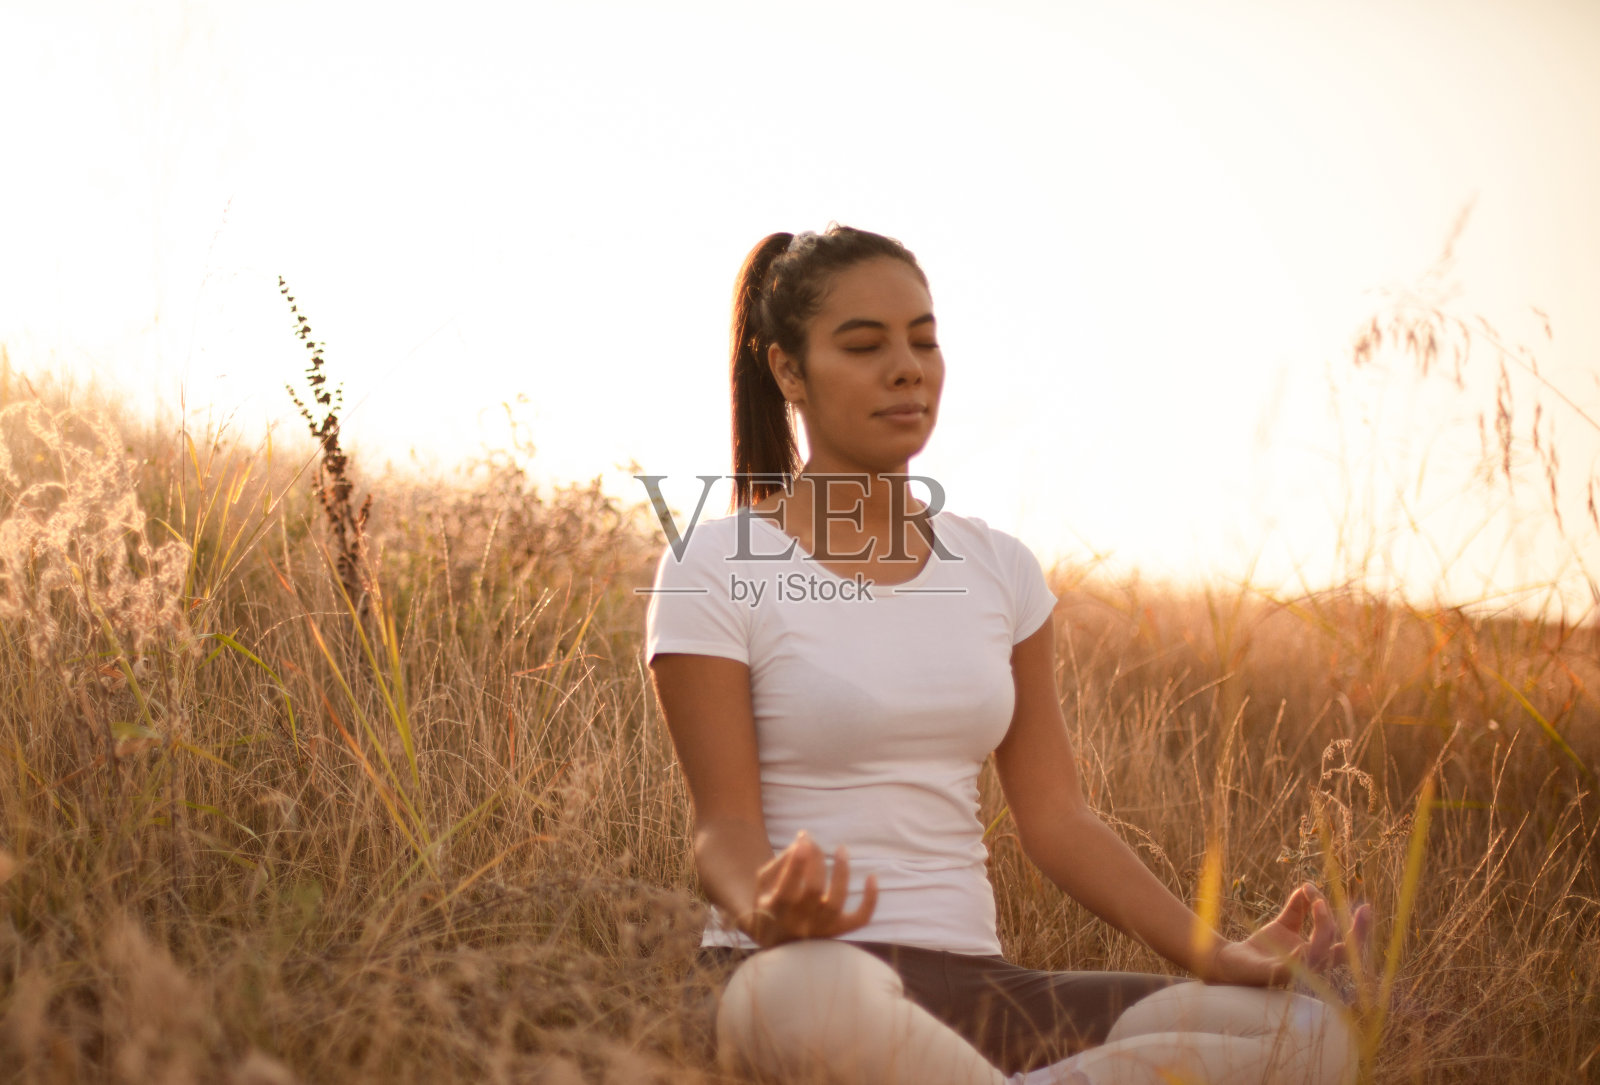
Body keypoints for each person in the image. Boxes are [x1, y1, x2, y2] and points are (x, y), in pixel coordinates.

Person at [644, 225, 1371, 1085]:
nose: (908, 366)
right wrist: (765, 903)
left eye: (924, 337)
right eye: (865, 344)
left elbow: (1058, 820)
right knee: (808, 994)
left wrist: (1217, 954)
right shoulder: (716, 562)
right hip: (800, 973)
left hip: (985, 991)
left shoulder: (999, 569)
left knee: (1314, 1039)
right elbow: (720, 827)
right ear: (788, 371)